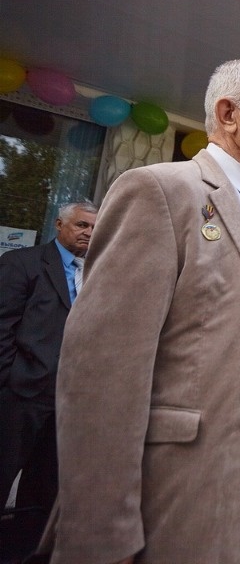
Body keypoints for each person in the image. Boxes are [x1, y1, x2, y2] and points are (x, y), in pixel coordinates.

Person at [45, 58, 240, 563]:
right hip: (181, 480)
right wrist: (104, 531)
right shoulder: (159, 191)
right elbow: (101, 375)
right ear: (229, 113)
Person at [0, 201, 98, 552]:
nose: (88, 233)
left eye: (93, 227)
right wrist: (9, 383)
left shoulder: (98, 275)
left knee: (45, 489)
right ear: (59, 225)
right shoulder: (20, 264)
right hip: (21, 395)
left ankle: (24, 552)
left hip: (69, 403)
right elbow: (3, 329)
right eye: (81, 225)